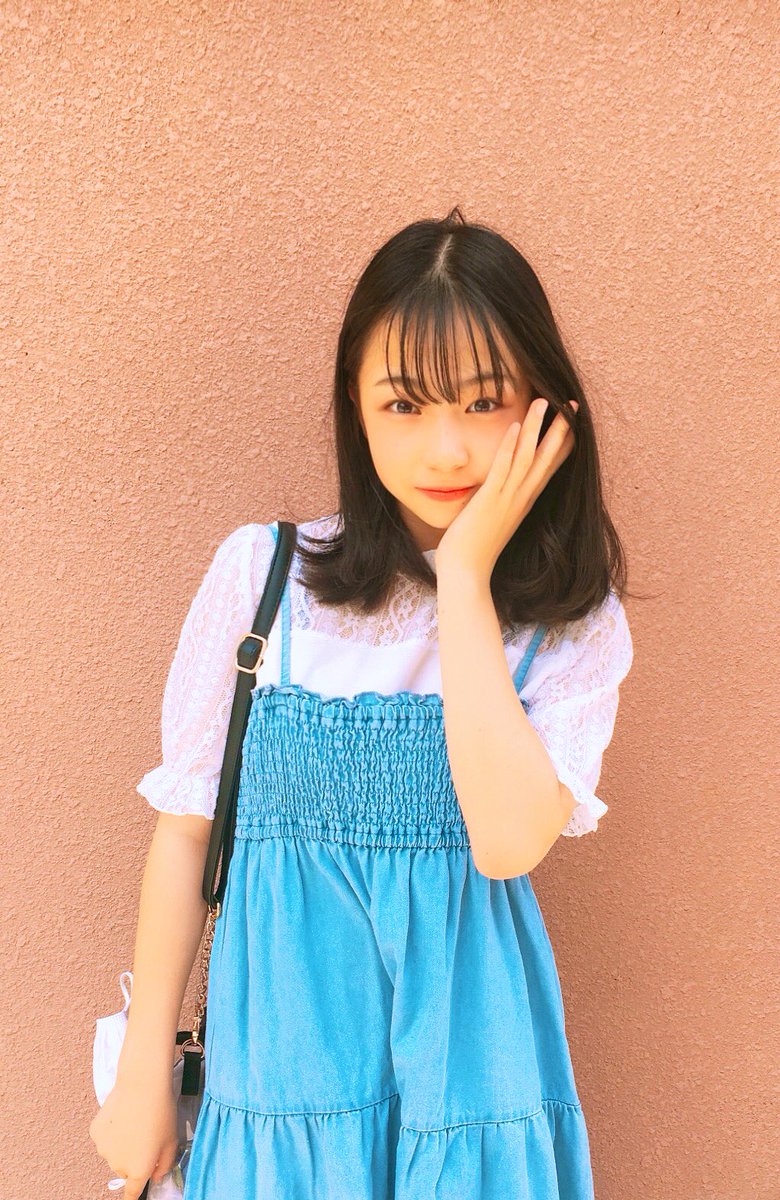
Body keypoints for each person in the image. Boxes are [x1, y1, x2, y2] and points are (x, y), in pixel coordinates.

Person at [89, 205, 635, 1199]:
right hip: (282, 1069)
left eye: (484, 402)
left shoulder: (566, 625)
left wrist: (465, 580)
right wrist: (142, 1072)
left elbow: (508, 844)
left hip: (471, 1076)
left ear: (546, 412)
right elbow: (187, 831)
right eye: (404, 405)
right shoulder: (264, 579)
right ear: (355, 405)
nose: (445, 450)